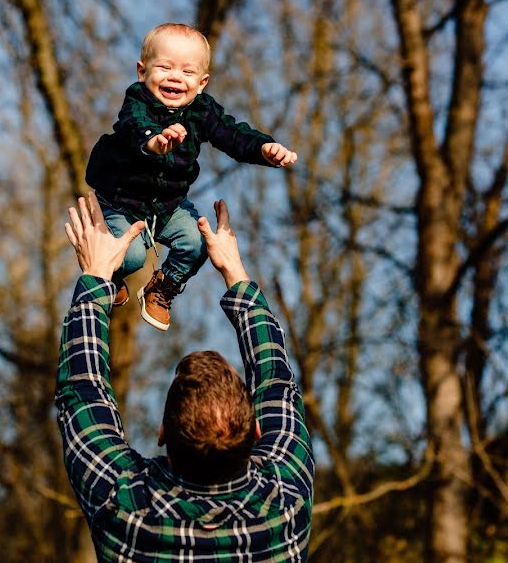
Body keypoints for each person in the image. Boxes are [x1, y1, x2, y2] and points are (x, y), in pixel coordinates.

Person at [58, 191, 315, 561]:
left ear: (163, 432)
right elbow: (276, 384)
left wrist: (97, 275)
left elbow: (83, 396)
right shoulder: (286, 506)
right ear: (258, 431)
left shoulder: (124, 507)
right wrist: (235, 272)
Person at [86, 23, 297, 331]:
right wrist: (154, 141)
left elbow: (232, 134)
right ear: (142, 72)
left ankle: (161, 288)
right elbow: (134, 125)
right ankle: (115, 275)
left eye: (187, 72)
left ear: (202, 82)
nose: (175, 77)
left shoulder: (202, 110)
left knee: (198, 244)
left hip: (168, 205)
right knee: (129, 258)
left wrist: (263, 148)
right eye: (164, 67)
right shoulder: (137, 100)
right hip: (122, 200)